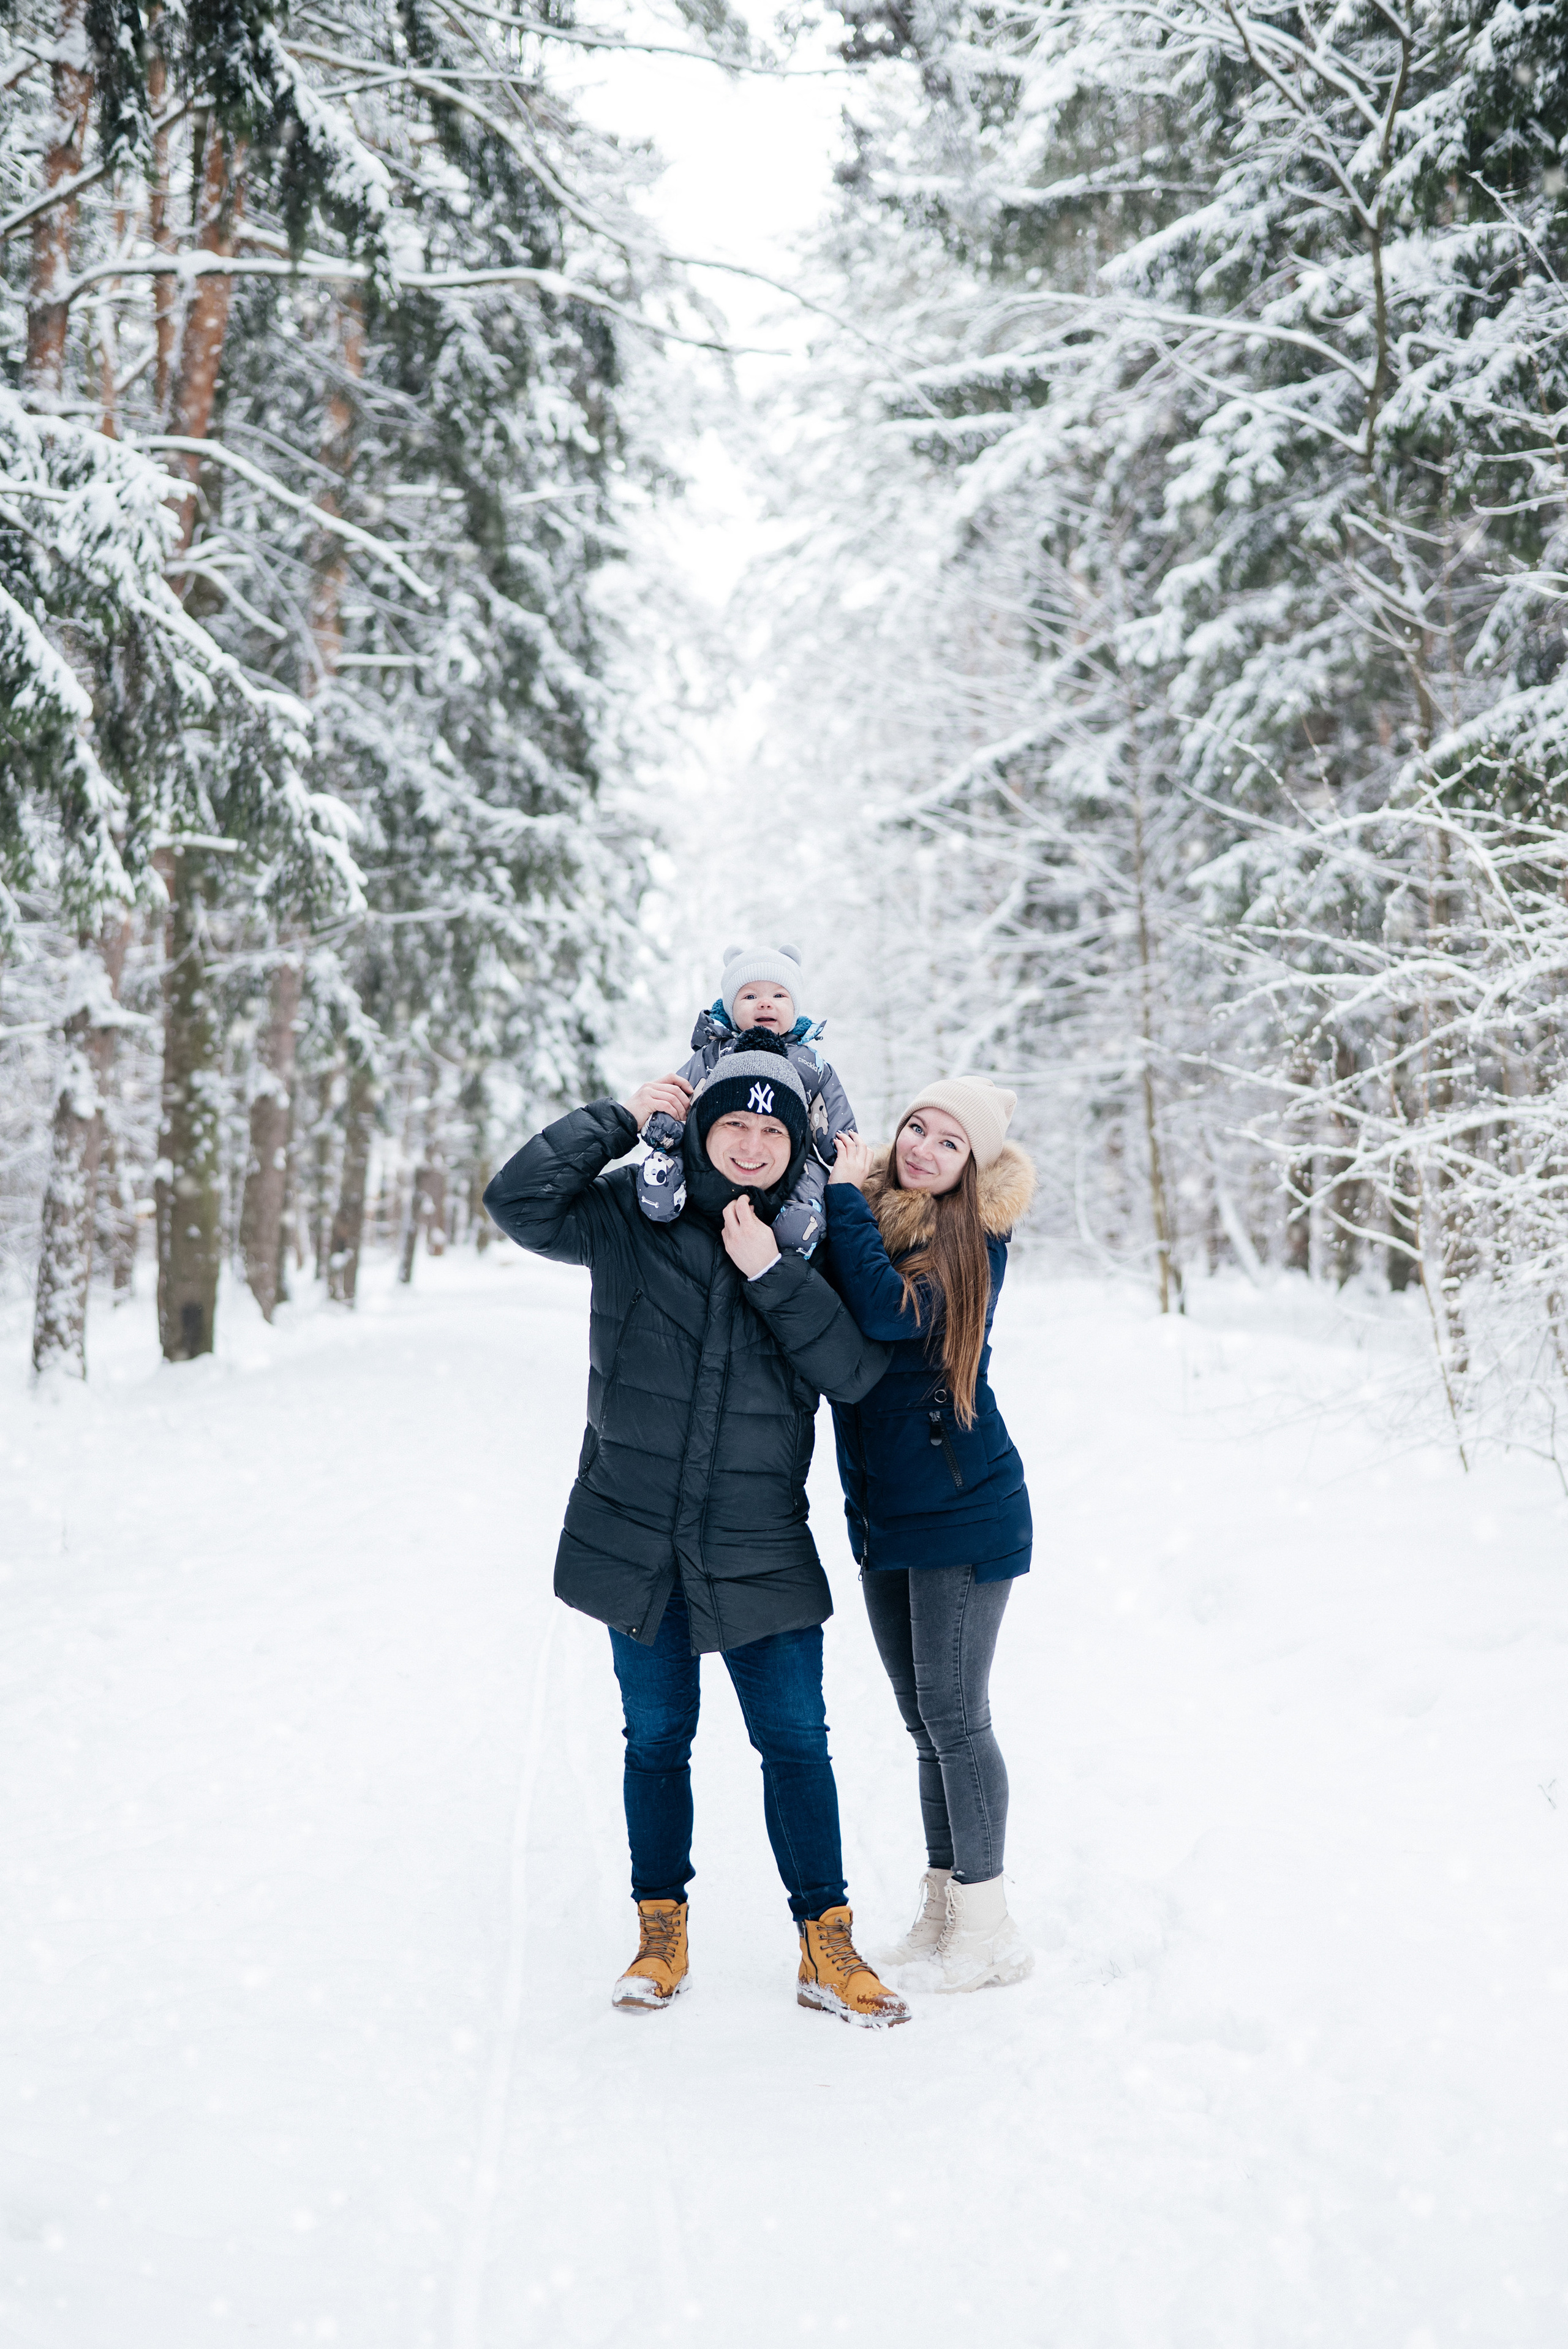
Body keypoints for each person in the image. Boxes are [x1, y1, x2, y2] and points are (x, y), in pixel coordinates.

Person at [482, 1031, 910, 2028]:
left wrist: (772, 1273)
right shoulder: (634, 1214)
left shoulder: (811, 1238)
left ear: (794, 1144)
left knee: (795, 1741)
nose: (753, 1144)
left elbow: (855, 1371)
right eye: (735, 1125)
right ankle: (659, 1930)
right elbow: (518, 1202)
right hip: (635, 1532)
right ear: (704, 1126)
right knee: (657, 1737)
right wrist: (622, 1121)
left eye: (774, 1131)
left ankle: (827, 1943)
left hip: (760, 1536)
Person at [823, 1076, 1036, 1992]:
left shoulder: (974, 1242)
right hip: (888, 1510)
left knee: (957, 1716)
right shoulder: (878, 1218)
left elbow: (883, 1312)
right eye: (916, 1127)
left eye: (949, 1143)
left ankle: (990, 1931)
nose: (922, 1147)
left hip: (962, 1510)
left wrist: (842, 1197)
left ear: (972, 1166)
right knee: (925, 1723)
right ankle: (946, 1908)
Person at [636, 941, 855, 1258]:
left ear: (795, 1008)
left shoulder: (810, 1063)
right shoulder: (713, 1053)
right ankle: (665, 1184)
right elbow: (682, 1091)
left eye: (779, 996)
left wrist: (844, 1152)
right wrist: (665, 1123)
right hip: (711, 1149)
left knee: (811, 1179)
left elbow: (831, 1108)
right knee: (686, 1152)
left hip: (790, 1155)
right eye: (750, 996)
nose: (765, 1004)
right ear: (730, 1007)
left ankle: (798, 1223)